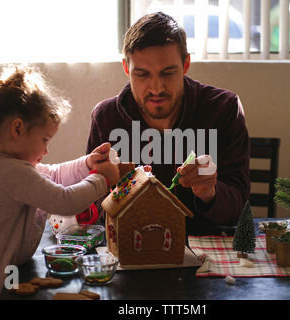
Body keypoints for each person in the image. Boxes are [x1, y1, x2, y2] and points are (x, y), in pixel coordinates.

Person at [0, 65, 120, 300]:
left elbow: (55, 175)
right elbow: (63, 201)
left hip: (5, 273)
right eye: (44, 139)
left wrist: (88, 163)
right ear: (17, 129)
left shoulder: (14, 168)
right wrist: (102, 179)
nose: (46, 150)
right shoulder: (8, 172)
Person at [86, 12, 250, 236]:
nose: (156, 88)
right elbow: (92, 209)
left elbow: (240, 206)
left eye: (168, 73)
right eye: (142, 74)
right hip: (132, 248)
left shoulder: (222, 109)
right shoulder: (106, 118)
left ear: (186, 64)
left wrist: (210, 192)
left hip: (207, 247)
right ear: (126, 68)